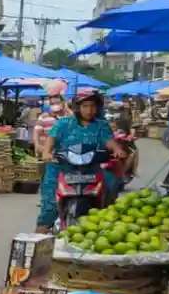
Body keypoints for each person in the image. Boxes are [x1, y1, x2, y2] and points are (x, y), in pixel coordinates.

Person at [36, 91, 127, 233]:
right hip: (61, 168)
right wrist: (47, 152)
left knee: (112, 184)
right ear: (78, 107)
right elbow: (51, 140)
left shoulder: (101, 125)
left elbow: (109, 141)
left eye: (93, 106)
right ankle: (38, 235)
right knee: (50, 205)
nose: (89, 110)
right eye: (85, 106)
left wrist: (117, 150)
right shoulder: (63, 123)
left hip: (91, 169)